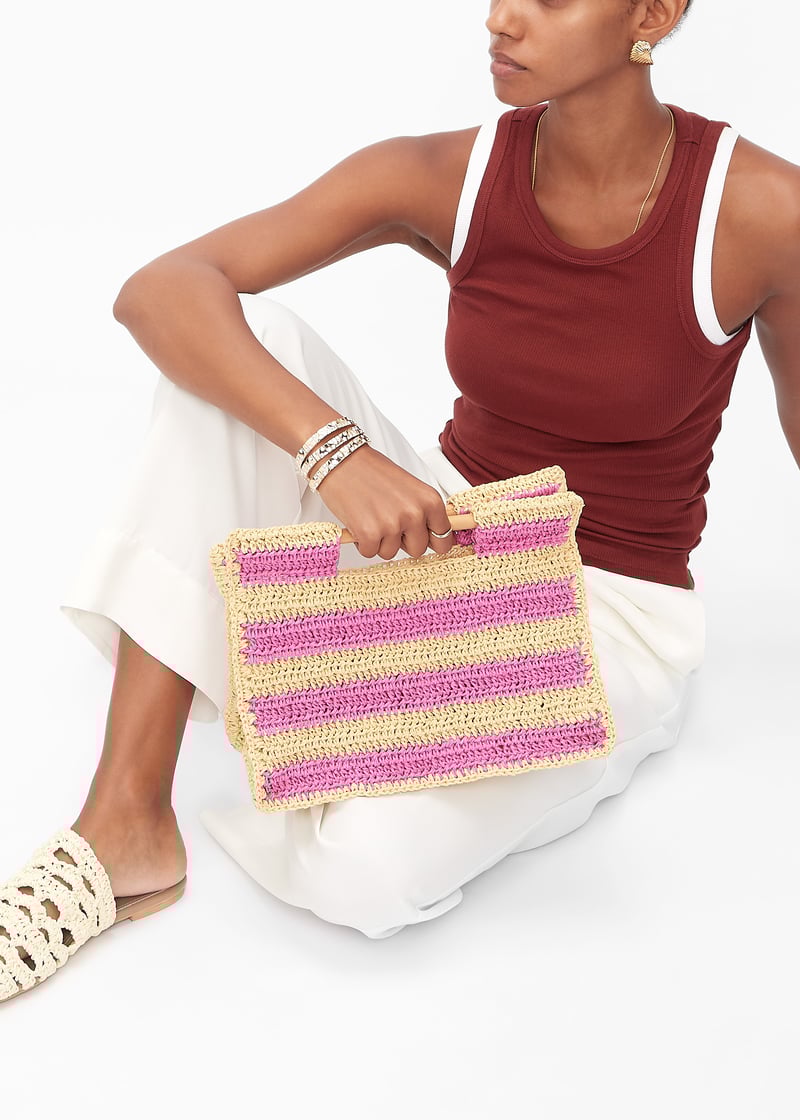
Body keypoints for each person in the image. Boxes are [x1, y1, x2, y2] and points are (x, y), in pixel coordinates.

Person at [2, 0, 798, 1000]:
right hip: (437, 526)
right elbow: (162, 289)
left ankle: (300, 679)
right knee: (246, 343)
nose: (502, 18)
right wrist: (335, 454)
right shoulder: (447, 173)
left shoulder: (762, 211)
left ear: (651, 12)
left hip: (605, 609)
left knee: (364, 872)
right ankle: (126, 821)